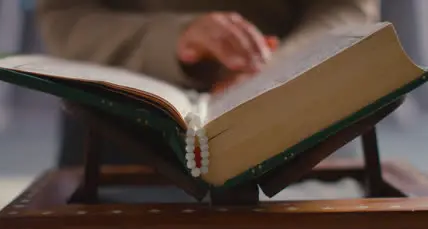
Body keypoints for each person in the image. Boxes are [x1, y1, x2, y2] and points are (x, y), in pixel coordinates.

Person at [34, 0, 380, 197]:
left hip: (301, 114)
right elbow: (65, 14)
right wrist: (172, 40)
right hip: (124, 120)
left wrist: (278, 68)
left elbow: (345, 6)